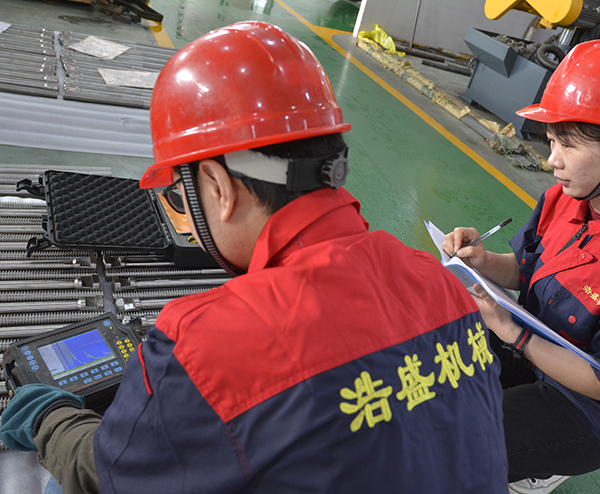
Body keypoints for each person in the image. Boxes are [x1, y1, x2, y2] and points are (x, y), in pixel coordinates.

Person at [0, 21, 508, 494]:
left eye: (180, 195)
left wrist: (50, 418)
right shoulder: (443, 285)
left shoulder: (202, 343)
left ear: (218, 187)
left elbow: (110, 475)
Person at [443, 40, 600, 494]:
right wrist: (484, 260)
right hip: (530, 352)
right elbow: (529, 269)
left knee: (460, 447)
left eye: (567, 145)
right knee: (433, 348)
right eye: (551, 142)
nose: (552, 160)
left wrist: (515, 334)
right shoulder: (563, 199)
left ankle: (538, 461)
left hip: (583, 404)